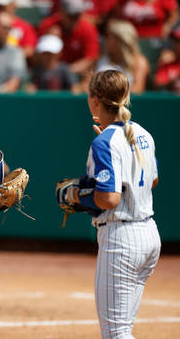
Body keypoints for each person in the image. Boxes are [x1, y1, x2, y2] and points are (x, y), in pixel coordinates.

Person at [62, 69, 161, 339]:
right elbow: (152, 181)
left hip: (122, 238)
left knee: (116, 334)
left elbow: (109, 198)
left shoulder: (105, 141)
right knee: (123, 330)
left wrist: (74, 197)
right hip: (149, 235)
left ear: (95, 100)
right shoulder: (142, 133)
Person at [38, 0, 100, 75]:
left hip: (76, 74)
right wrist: (49, 39)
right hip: (50, 73)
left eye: (76, 15)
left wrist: (65, 71)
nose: (73, 19)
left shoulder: (88, 29)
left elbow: (90, 59)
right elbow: (37, 57)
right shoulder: (48, 25)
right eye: (70, 15)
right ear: (62, 12)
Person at [95, 19, 150, 94]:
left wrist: (107, 89)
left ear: (120, 40)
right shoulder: (101, 59)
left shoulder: (139, 61)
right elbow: (89, 82)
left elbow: (138, 90)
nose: (106, 40)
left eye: (109, 36)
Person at [154, 23, 180, 92]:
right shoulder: (166, 65)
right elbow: (158, 86)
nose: (177, 44)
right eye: (175, 40)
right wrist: (174, 80)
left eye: (179, 41)